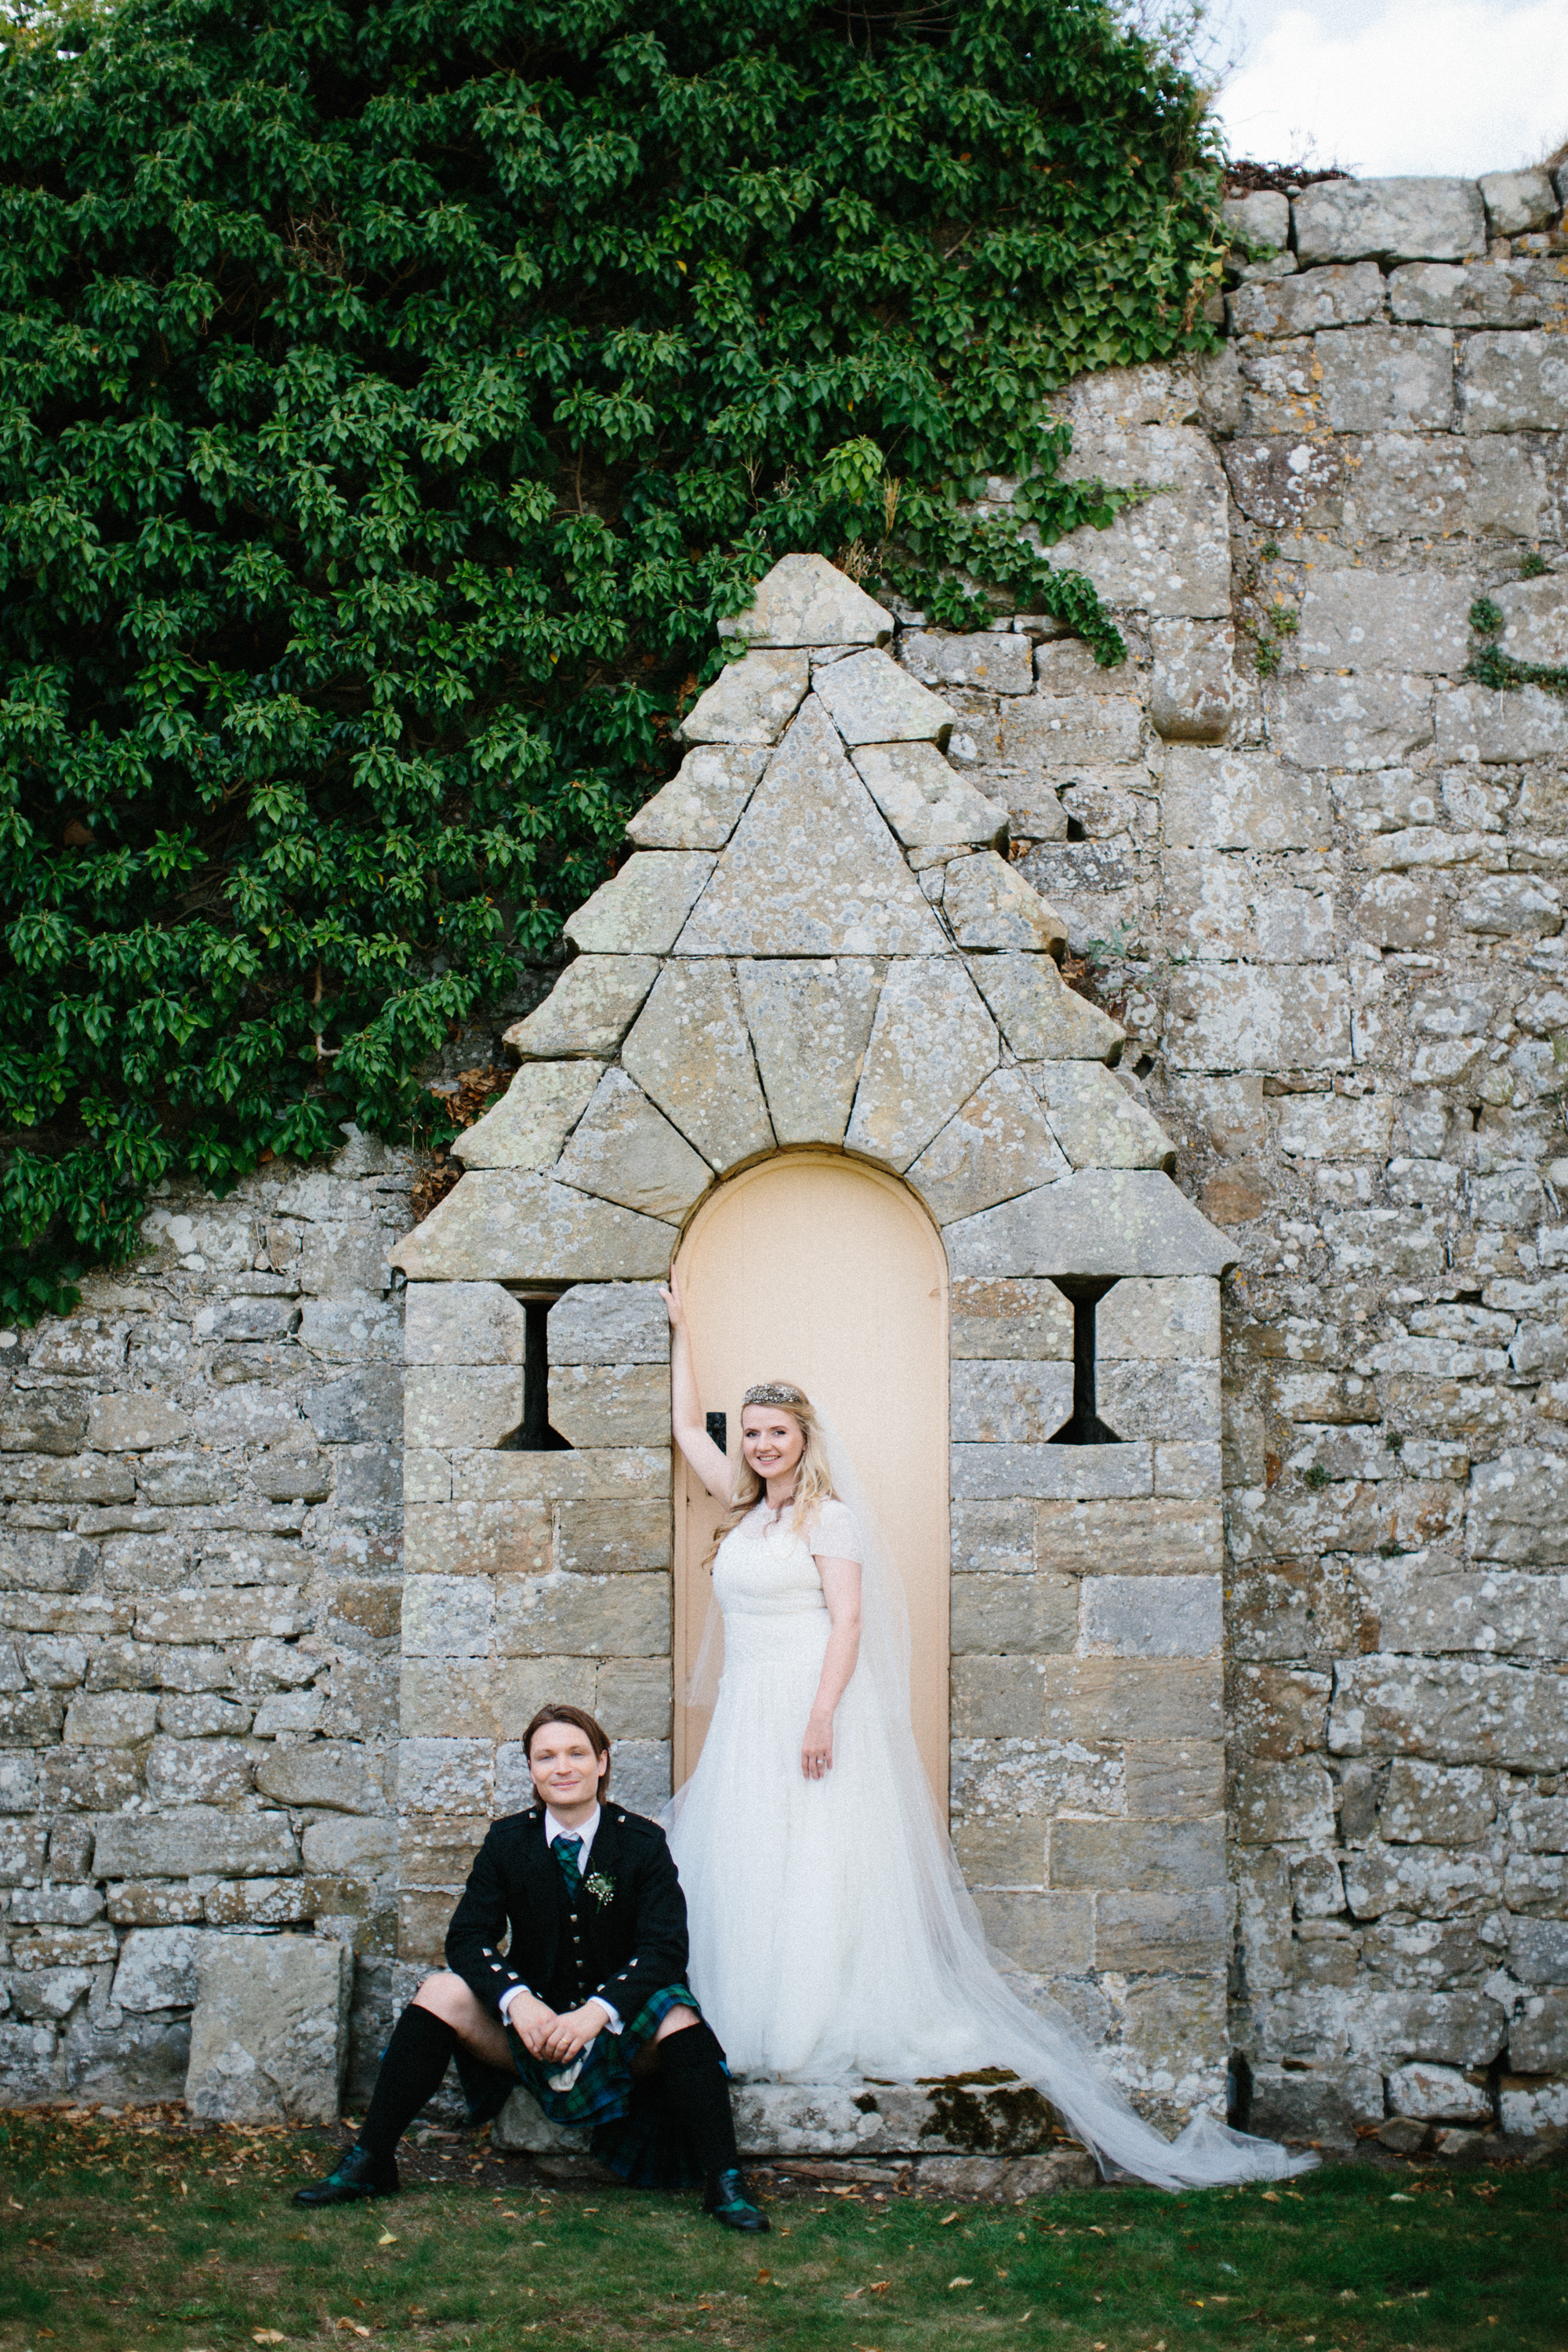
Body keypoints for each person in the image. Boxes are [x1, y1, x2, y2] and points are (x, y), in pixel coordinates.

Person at [659, 1272, 1315, 2192]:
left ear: (804, 1439)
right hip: (745, 1708)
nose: (762, 1445)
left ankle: (811, 2015)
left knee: (814, 1854)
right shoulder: (739, 1503)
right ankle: (742, 2016)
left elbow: (845, 1625)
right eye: (754, 1432)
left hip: (810, 1704)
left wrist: (818, 1715)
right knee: (748, 1852)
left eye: (777, 1432)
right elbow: (691, 1430)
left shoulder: (829, 1519)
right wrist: (686, 1328)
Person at [290, 1701, 768, 2230]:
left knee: (679, 2016)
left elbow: (665, 1949)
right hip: (531, 2034)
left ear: (602, 1762)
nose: (561, 1768)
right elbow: (467, 1937)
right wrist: (519, 2002)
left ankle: (724, 2182)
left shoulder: (641, 1843)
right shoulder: (507, 1842)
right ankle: (371, 2160)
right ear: (532, 1769)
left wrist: (596, 2014)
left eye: (575, 1754)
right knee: (440, 1991)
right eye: (545, 1757)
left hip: (618, 2038)